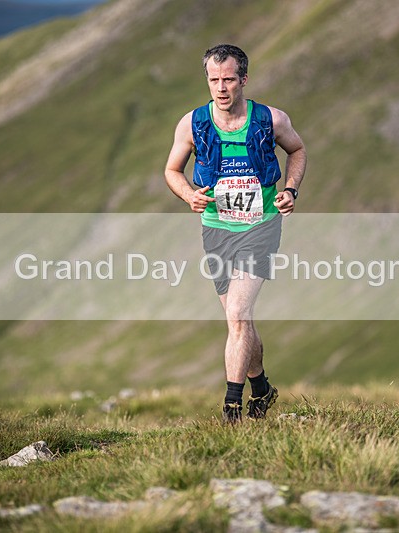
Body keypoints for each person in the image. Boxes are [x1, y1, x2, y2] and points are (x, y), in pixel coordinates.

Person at [164, 44, 307, 422]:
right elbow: (172, 170)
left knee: (239, 314)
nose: (221, 88)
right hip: (216, 229)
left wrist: (290, 190)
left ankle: (232, 406)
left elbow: (297, 150)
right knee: (237, 319)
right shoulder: (192, 123)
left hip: (260, 226)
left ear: (244, 79)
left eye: (228, 79)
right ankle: (262, 388)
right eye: (214, 80)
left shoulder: (271, 119)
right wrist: (189, 195)